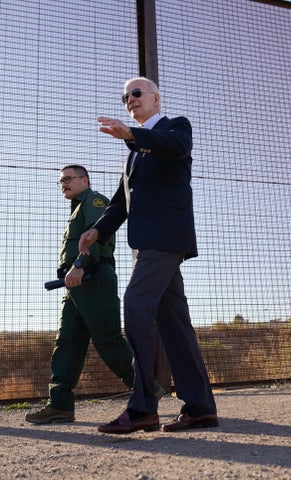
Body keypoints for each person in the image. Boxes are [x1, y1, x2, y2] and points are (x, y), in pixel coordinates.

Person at [78, 77, 218, 434]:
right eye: (125, 97)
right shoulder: (134, 156)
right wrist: (97, 231)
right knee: (175, 323)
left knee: (137, 305)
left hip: (166, 240)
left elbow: (173, 147)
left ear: (156, 98)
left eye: (136, 93)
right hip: (146, 244)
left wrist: (130, 136)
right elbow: (121, 202)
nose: (130, 100)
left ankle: (142, 407)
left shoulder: (174, 128)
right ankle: (200, 406)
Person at [25, 165, 135, 425]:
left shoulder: (95, 201)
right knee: (67, 342)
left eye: (68, 179)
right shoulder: (75, 208)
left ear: (84, 180)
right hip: (75, 283)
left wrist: (80, 265)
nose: (63, 184)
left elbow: (99, 236)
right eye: (60, 181)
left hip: (93, 277)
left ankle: (146, 389)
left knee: (107, 339)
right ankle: (60, 405)